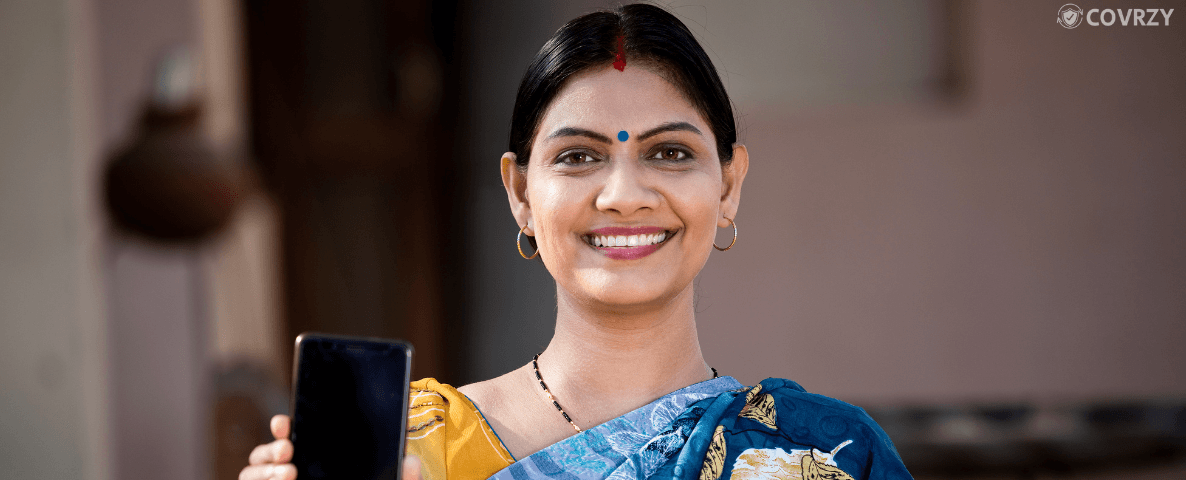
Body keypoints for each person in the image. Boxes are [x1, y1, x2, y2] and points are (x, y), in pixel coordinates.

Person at [241, 4, 912, 480]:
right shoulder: (417, 450)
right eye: (578, 158)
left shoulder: (823, 454)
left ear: (729, 184)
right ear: (521, 194)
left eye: (670, 152)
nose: (623, 193)